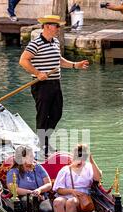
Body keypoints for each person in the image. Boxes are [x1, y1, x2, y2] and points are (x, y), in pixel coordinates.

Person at [19, 15, 89, 159]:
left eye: (58, 26)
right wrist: (37, 73)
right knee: (43, 115)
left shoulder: (55, 42)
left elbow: (59, 61)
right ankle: (43, 145)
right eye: (56, 26)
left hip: (55, 83)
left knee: (57, 113)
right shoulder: (35, 43)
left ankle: (44, 140)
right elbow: (23, 61)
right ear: (47, 26)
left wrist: (75, 65)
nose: (58, 28)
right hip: (41, 85)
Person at [52, 144, 102, 212]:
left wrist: (92, 161)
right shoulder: (65, 170)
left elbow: (98, 178)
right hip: (67, 194)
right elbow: (58, 190)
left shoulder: (89, 167)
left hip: (83, 196)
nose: (80, 161)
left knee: (71, 202)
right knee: (57, 202)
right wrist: (72, 191)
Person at [6, 145, 53, 212]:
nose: (33, 157)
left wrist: (39, 190)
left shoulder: (38, 167)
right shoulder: (13, 172)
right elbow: (13, 189)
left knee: (47, 211)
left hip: (41, 197)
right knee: (29, 205)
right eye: (30, 156)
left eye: (33, 155)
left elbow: (48, 184)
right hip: (24, 197)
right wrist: (31, 192)